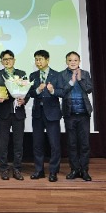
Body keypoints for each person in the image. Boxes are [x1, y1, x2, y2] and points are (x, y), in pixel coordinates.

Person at [53, 51, 94, 181]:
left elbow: (89, 89)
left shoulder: (85, 74)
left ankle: (84, 170)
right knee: (72, 144)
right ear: (66, 62)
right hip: (69, 114)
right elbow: (61, 92)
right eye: (70, 60)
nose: (73, 62)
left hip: (84, 114)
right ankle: (74, 169)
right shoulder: (61, 75)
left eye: (75, 60)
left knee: (84, 144)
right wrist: (71, 82)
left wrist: (80, 79)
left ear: (79, 61)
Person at [26, 49, 62, 182]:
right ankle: (39, 170)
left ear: (47, 60)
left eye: (40, 59)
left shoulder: (57, 75)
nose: (38, 62)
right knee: (37, 143)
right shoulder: (33, 75)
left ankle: (53, 171)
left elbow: (62, 92)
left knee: (54, 144)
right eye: (36, 59)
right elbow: (30, 93)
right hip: (37, 113)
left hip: (52, 113)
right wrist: (38, 89)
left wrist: (52, 91)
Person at [0, 49, 27, 180]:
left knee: (18, 143)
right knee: (3, 143)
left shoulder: (21, 74)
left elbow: (27, 91)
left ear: (14, 60)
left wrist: (24, 100)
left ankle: (17, 169)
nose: (7, 61)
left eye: (10, 59)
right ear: (1, 61)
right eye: (5, 59)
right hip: (4, 113)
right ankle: (4, 169)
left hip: (19, 113)